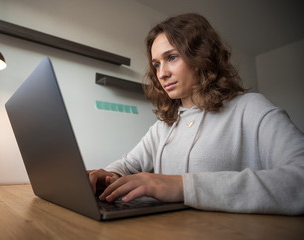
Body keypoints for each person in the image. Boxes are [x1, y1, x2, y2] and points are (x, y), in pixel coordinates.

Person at [88, 13, 304, 215]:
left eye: (171, 57)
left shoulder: (250, 108)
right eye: (156, 64)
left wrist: (184, 186)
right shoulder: (163, 127)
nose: (161, 73)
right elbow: (127, 165)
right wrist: (107, 176)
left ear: (201, 56)